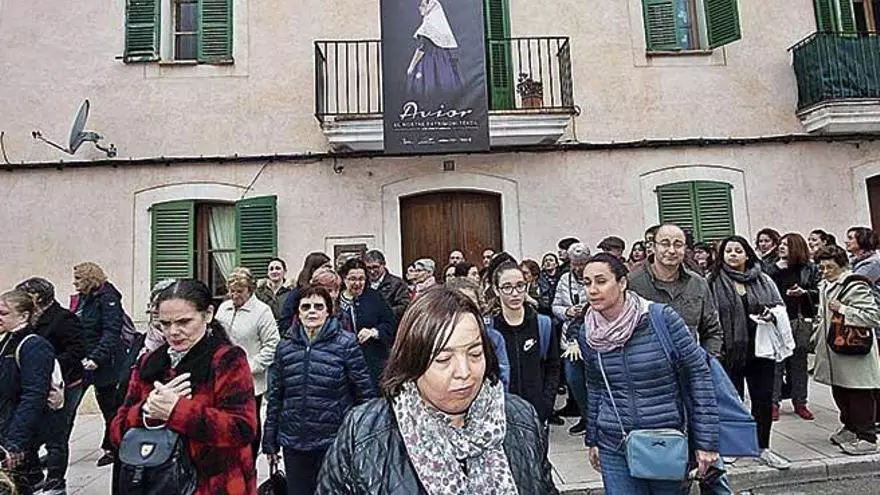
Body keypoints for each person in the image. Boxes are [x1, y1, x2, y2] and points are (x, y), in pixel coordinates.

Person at [316, 287, 559, 494]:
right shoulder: (363, 432)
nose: (464, 372)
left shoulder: (520, 418)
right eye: (443, 359)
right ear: (411, 361)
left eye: (475, 354)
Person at [578, 253, 719, 494]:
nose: (592, 290)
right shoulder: (588, 332)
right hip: (614, 442)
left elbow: (699, 374)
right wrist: (593, 439)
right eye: (587, 282)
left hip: (664, 441)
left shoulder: (661, 318)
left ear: (622, 283)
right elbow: (595, 387)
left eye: (601, 281)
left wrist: (706, 442)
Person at [110, 279, 258, 494]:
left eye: (184, 322)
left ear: (208, 314)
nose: (173, 332)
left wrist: (177, 411)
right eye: (165, 324)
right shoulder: (148, 362)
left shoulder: (227, 359)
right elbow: (116, 432)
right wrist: (147, 411)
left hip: (215, 483)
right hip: (157, 482)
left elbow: (242, 429)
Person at [262, 286, 376, 495]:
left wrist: (364, 438)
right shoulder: (285, 347)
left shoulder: (346, 343)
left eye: (318, 306)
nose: (312, 311)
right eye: (306, 307)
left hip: (333, 440)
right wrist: (270, 442)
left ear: (328, 311)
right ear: (298, 312)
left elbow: (364, 393)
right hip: (294, 441)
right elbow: (276, 396)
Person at [707, 235, 790, 469]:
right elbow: (708, 316)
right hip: (728, 351)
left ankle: (763, 447)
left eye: (738, 250)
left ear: (747, 254)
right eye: (728, 251)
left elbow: (779, 307)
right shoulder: (712, 281)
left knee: (763, 400)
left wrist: (771, 315)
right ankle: (734, 447)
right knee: (731, 401)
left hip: (761, 349)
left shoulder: (763, 279)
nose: (733, 255)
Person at [14, 278, 86, 495]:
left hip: (65, 384)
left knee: (57, 436)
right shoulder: (27, 318)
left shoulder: (64, 319)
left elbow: (77, 350)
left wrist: (47, 364)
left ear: (37, 297)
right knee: (30, 432)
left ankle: (55, 481)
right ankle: (34, 475)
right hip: (37, 384)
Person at [812, 246, 880, 455]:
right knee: (841, 391)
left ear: (842, 266)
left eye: (830, 267)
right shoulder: (825, 285)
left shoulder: (855, 285)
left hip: (854, 350)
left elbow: (873, 316)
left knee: (859, 393)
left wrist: (843, 309)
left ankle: (867, 437)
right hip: (834, 350)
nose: (825, 272)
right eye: (822, 268)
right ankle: (850, 428)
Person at [215, 267, 281, 463]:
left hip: (251, 381)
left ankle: (249, 462)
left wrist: (249, 366)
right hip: (223, 377)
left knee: (249, 423)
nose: (235, 295)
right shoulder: (223, 309)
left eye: (240, 291)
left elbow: (273, 345)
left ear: (250, 290)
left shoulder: (262, 311)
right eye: (232, 291)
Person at [489, 260, 561, 425]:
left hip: (535, 413)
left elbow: (553, 367)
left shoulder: (543, 324)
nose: (515, 293)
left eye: (520, 286)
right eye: (507, 287)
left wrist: (546, 405)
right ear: (496, 290)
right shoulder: (490, 329)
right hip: (501, 415)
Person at [69, 261, 125, 468]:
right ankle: (57, 448)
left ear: (89, 278)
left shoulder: (108, 298)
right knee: (68, 408)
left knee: (109, 408)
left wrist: (96, 357)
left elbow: (111, 331)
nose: (75, 283)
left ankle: (112, 447)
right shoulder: (84, 298)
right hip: (82, 361)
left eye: (78, 278)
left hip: (104, 362)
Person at [0, 290, 56, 495]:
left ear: (24, 316)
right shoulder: (7, 341)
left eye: (4, 313)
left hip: (17, 436)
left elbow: (33, 397)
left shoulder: (33, 345)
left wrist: (15, 443)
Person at [764, 233, 819, 421]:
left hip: (799, 319)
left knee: (799, 363)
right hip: (777, 321)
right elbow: (763, 287)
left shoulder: (809, 268)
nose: (781, 247)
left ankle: (800, 402)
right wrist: (775, 269)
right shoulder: (771, 267)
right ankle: (773, 403)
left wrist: (804, 292)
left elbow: (818, 291)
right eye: (780, 244)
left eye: (786, 245)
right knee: (776, 364)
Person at [338, 258, 397, 386]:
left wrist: (374, 332)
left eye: (361, 279)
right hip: (342, 361)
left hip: (372, 361)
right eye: (352, 279)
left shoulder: (375, 297)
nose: (357, 283)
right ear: (344, 279)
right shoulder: (336, 300)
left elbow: (391, 324)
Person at [444, 277, 511, 389]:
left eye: (472, 305)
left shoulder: (494, 338)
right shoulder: (437, 339)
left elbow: (502, 379)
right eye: (459, 305)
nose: (466, 311)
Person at [552, 243, 590, 432]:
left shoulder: (594, 277)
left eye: (582, 263)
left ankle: (594, 419)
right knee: (574, 379)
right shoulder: (564, 280)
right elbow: (555, 306)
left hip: (591, 337)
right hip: (569, 341)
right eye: (574, 264)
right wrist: (567, 311)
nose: (578, 268)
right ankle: (585, 416)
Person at [406, 0, 463, 99]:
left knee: (427, 89)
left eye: (423, 5)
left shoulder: (428, 26)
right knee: (443, 87)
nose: (419, 8)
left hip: (429, 62)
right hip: (443, 62)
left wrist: (412, 66)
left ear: (430, 7)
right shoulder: (440, 26)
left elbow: (422, 48)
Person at [279, 252, 332, 331]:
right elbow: (286, 321)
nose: (329, 270)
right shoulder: (297, 293)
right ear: (314, 269)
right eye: (326, 267)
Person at [363, 250, 411, 323]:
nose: (372, 271)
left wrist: (383, 314)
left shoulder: (397, 283)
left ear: (383, 264)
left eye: (375, 267)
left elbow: (404, 306)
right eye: (369, 268)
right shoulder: (363, 284)